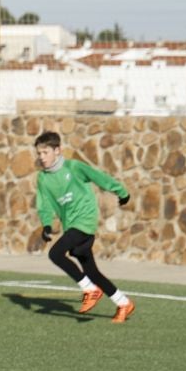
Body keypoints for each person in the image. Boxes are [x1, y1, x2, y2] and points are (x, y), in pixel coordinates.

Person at [33, 130, 135, 323]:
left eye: (45, 152)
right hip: (71, 225)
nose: (42, 157)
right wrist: (46, 225)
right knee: (92, 272)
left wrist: (121, 192)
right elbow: (44, 204)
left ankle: (89, 290)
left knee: (55, 254)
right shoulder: (43, 178)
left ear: (57, 150)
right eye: (39, 153)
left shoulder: (74, 167)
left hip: (85, 220)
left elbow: (99, 177)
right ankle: (123, 303)